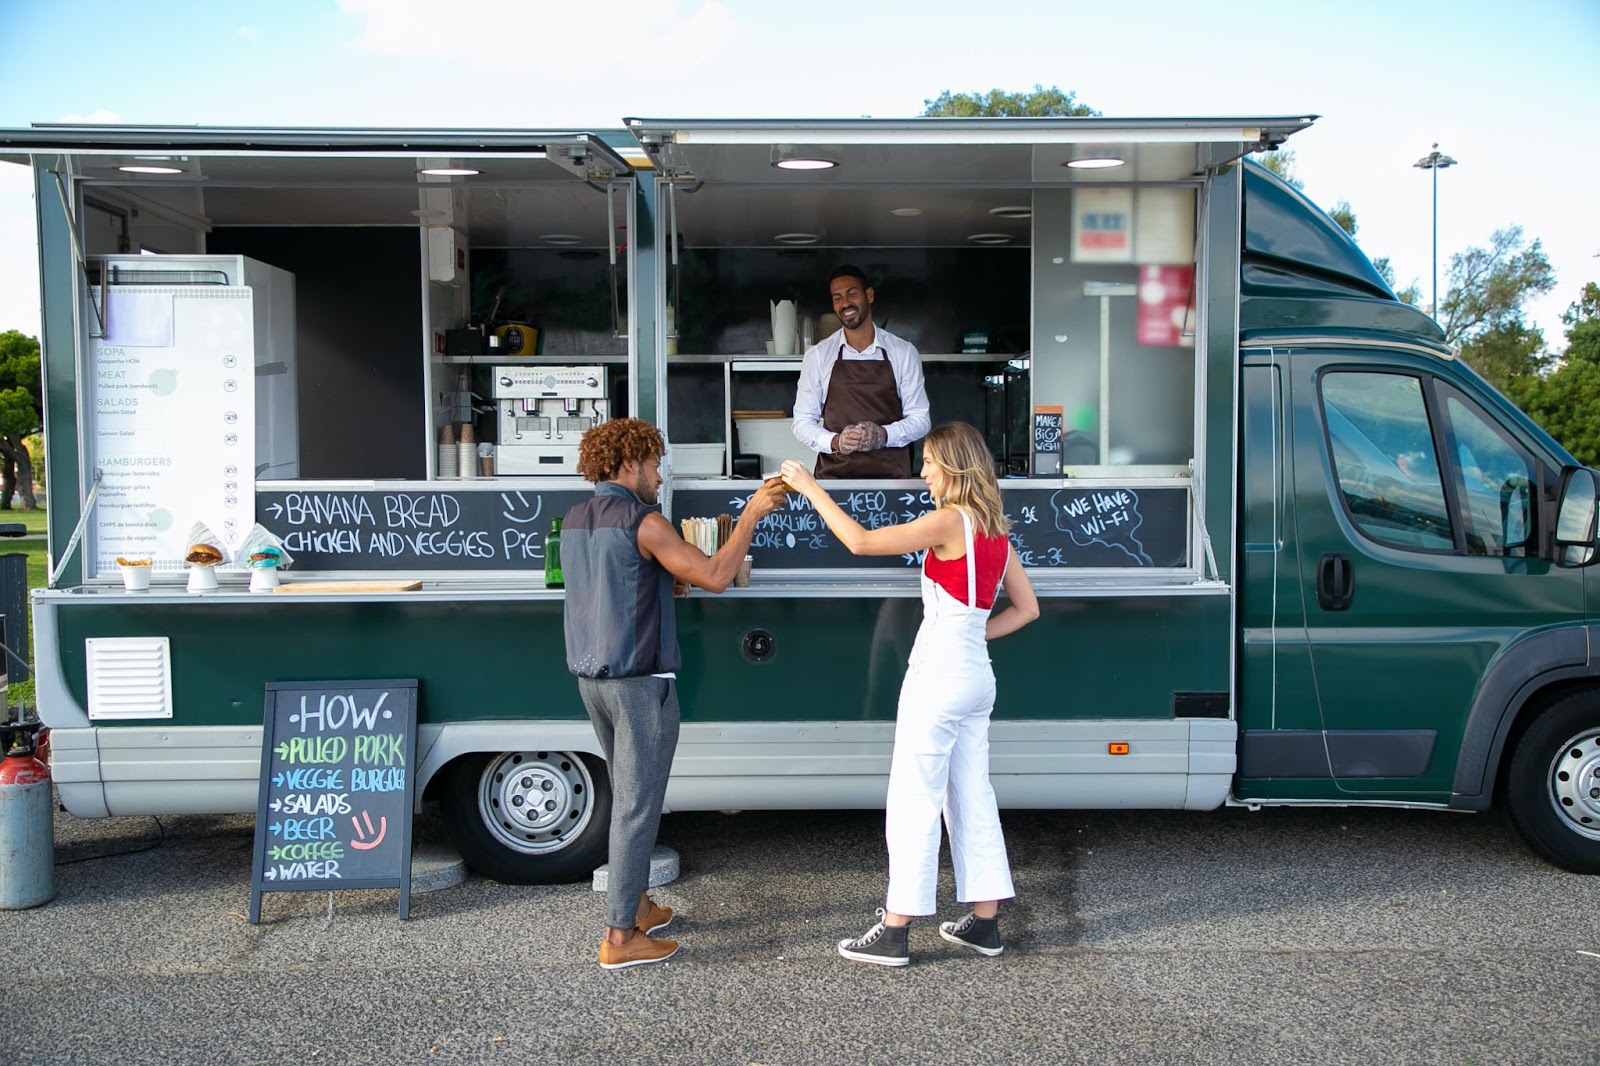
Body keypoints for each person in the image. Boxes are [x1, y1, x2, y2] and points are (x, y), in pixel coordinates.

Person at [780, 422, 1040, 966]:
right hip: (975, 674)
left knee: (913, 799)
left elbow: (860, 541)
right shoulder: (996, 529)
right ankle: (985, 924)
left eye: (928, 462)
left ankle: (896, 929)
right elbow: (1027, 609)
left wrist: (811, 487)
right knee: (972, 793)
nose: (922, 472)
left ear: (954, 465)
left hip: (939, 674)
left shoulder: (948, 520)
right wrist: (971, 633)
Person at [564, 418, 785, 970]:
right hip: (640, 681)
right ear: (628, 464)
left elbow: (615, 586)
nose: (659, 476)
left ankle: (636, 905)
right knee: (638, 805)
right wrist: (750, 517)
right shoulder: (644, 521)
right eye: (654, 464)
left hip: (592, 678)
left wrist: (664, 581)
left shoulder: (574, 520)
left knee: (628, 796)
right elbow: (714, 574)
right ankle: (619, 938)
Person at [791, 264, 931, 479]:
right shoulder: (819, 356)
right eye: (837, 298)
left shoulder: (903, 352)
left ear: (869, 295)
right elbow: (801, 423)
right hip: (834, 481)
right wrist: (837, 441)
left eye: (851, 294)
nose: (845, 303)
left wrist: (883, 435)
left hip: (891, 481)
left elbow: (920, 419)